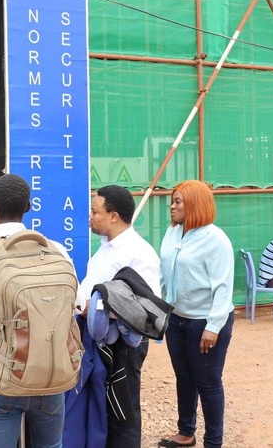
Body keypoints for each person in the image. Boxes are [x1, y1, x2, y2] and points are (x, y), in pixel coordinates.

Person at [0, 173, 85, 448]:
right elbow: (77, 305)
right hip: (53, 374)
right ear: (29, 207)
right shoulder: (56, 250)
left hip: (2, 377)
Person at [81, 185, 162, 448]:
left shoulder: (139, 253)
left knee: (123, 413)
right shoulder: (105, 247)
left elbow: (148, 308)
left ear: (113, 216)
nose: (90, 216)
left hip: (123, 346)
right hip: (97, 341)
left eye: (95, 211)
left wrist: (98, 309)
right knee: (102, 408)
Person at [158, 180, 235, 448]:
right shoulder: (172, 233)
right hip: (177, 320)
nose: (173, 206)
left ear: (195, 204)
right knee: (184, 378)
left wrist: (213, 326)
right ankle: (186, 432)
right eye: (173, 200)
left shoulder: (216, 240)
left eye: (179, 201)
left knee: (208, 382)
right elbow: (165, 272)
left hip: (205, 321)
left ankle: (213, 441)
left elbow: (224, 287)